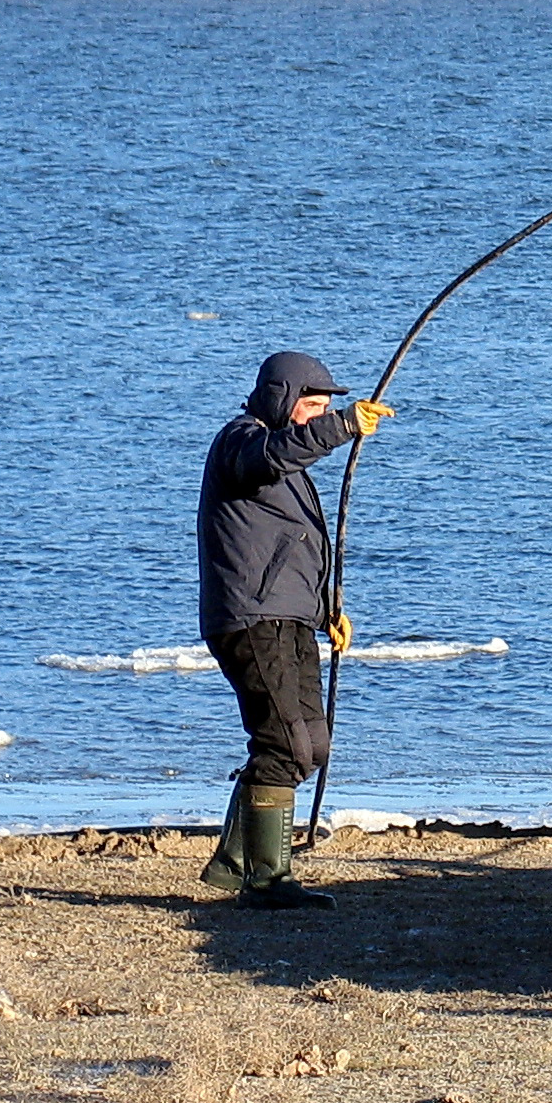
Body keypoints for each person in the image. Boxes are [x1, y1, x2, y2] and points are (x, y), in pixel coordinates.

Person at [197, 351, 391, 910]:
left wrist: (328, 607)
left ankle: (236, 861)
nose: (315, 416)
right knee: (284, 742)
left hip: (292, 618)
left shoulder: (287, 463)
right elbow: (271, 456)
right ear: (282, 397)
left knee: (311, 746)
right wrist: (344, 425)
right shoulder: (242, 442)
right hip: (252, 619)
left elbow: (296, 545)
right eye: (310, 405)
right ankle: (265, 880)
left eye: (324, 407)